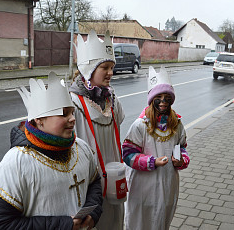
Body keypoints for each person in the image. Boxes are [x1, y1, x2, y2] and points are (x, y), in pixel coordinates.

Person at [0, 72, 103, 230]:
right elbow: (1, 224)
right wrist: (63, 225)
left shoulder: (81, 148)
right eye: (63, 113)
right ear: (39, 120)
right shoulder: (15, 164)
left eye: (72, 112)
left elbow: (94, 182)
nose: (72, 119)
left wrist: (93, 214)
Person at [122, 66, 190, 230]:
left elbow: (181, 149)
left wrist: (180, 160)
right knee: (140, 220)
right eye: (158, 97)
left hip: (167, 184)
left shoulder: (177, 125)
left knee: (161, 219)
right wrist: (152, 162)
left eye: (167, 98)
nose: (163, 102)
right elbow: (128, 154)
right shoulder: (140, 125)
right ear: (151, 99)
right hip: (142, 185)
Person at [69, 29, 125, 230]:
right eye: (105, 67)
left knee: (114, 221)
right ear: (88, 70)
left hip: (114, 176)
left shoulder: (112, 99)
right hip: (90, 182)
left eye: (112, 67)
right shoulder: (73, 104)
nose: (111, 73)